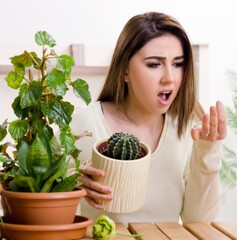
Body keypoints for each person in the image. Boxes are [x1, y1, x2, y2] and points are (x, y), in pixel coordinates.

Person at [70, 11, 227, 224]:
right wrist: (72, 184)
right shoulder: (83, 123)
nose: (169, 78)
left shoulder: (188, 130)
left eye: (178, 63)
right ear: (125, 70)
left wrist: (208, 151)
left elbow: (198, 221)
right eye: (154, 64)